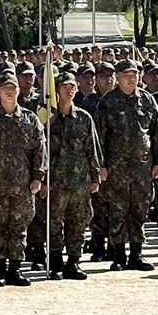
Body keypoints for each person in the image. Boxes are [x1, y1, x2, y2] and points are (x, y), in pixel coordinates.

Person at [0, 73, 46, 287]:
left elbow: (39, 150)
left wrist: (37, 177)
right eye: (5, 87)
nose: (9, 91)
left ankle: (15, 269)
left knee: (19, 228)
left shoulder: (30, 119)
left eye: (13, 87)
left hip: (23, 185)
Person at [96, 58, 158, 271]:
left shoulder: (147, 100)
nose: (131, 78)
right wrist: (102, 165)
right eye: (126, 75)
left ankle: (136, 253)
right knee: (117, 210)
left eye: (134, 74)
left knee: (139, 209)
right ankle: (118, 255)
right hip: (117, 168)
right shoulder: (107, 102)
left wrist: (157, 161)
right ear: (117, 76)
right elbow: (100, 137)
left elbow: (156, 132)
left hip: (142, 166)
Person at [46, 71, 102, 280]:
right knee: (55, 223)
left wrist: (95, 176)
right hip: (56, 181)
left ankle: (73, 261)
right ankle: (56, 262)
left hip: (80, 180)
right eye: (64, 87)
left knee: (79, 222)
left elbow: (92, 149)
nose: (69, 91)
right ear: (57, 91)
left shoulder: (84, 118)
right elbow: (42, 152)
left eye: (72, 87)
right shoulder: (48, 119)